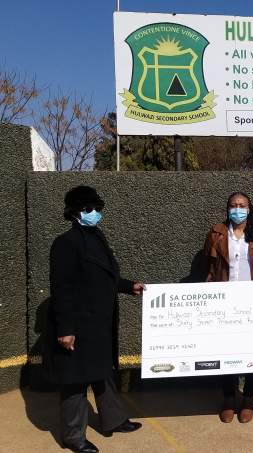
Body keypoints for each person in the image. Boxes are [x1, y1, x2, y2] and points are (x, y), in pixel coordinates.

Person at [47, 186, 145, 453]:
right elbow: (62, 288)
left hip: (100, 324)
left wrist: (129, 286)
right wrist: (66, 329)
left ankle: (113, 420)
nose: (96, 214)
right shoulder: (65, 243)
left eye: (98, 209)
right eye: (90, 209)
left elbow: (105, 277)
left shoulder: (96, 237)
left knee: (103, 375)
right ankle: (73, 436)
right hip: (78, 325)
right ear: (76, 212)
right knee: (76, 382)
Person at [203, 192, 253, 424]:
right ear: (227, 208)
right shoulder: (216, 234)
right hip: (225, 301)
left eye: (242, 205)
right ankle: (228, 399)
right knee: (226, 351)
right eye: (233, 205)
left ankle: (249, 399)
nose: (237, 209)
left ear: (250, 208)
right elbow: (210, 265)